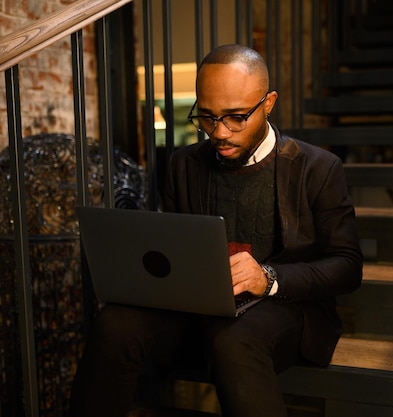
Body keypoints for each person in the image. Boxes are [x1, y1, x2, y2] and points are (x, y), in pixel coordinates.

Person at [69, 43, 363, 417]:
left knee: (233, 341)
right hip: (198, 311)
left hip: (282, 309)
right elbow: (175, 252)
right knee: (114, 323)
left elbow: (348, 265)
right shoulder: (183, 165)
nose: (219, 132)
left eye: (236, 117)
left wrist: (269, 277)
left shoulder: (318, 167)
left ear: (268, 103)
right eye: (207, 117)